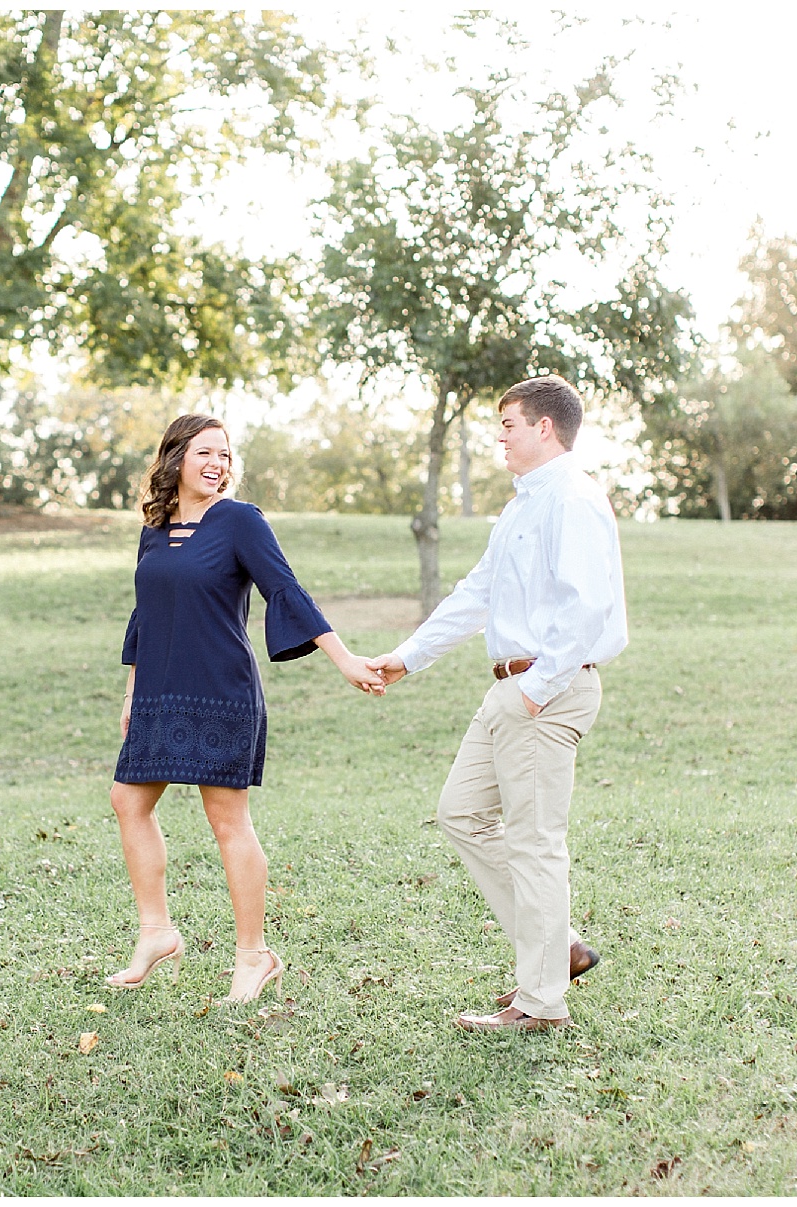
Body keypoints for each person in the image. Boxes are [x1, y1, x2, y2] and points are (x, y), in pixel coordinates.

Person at [368, 375, 625, 1032]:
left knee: (536, 842)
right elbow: (474, 594)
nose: (500, 436)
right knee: (460, 812)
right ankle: (557, 944)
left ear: (544, 427)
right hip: (511, 689)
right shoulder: (522, 506)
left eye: (508, 424)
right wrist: (406, 658)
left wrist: (538, 688)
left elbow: (588, 603)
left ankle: (541, 1002)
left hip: (547, 688)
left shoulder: (572, 497)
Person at [108, 413, 386, 1003]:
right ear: (175, 458)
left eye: (226, 456)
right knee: (127, 800)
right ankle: (156, 934)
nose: (218, 465)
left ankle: (254, 956)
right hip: (159, 689)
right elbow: (146, 612)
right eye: (206, 453)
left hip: (219, 688)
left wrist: (345, 660)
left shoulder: (240, 521)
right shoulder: (154, 530)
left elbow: (286, 589)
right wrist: (132, 691)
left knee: (226, 820)